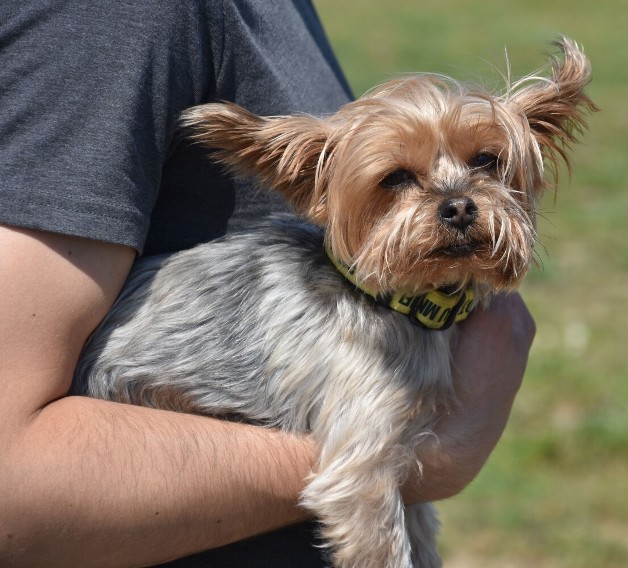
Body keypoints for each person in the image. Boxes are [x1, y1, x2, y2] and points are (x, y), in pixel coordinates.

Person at [0, 1, 535, 566]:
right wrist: (410, 459)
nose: (458, 202)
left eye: (487, 164)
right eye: (399, 179)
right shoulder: (120, 18)